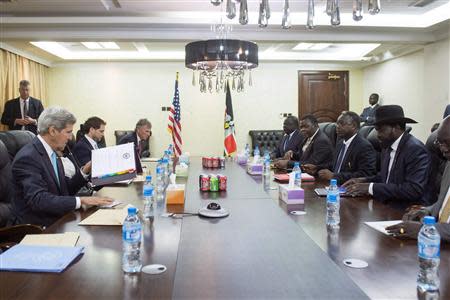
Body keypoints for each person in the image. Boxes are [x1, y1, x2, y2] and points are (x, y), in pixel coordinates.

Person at [11, 107, 113, 227]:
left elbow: (64, 190)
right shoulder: (28, 157)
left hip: (59, 220)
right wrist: (81, 201)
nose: (70, 138)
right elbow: (38, 200)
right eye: (68, 132)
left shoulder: (53, 153)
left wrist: (84, 171)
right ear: (53, 131)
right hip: (38, 228)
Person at [344, 105, 430, 209]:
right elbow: (386, 178)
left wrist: (370, 187)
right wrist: (363, 180)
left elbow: (412, 189)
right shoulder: (387, 146)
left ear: (396, 128)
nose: (377, 135)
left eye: (380, 130)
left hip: (406, 210)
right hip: (385, 205)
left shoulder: (415, 149)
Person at [386, 116, 450, 242]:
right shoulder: (449, 163)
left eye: (447, 142)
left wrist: (425, 229)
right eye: (439, 143)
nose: (443, 149)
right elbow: (445, 202)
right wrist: (426, 211)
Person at [303, 111, 377, 184]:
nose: (337, 127)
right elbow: (334, 165)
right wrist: (317, 168)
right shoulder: (340, 143)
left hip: (349, 188)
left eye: (341, 123)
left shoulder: (363, 146)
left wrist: (334, 176)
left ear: (353, 126)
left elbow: (366, 175)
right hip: (333, 186)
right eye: (337, 123)